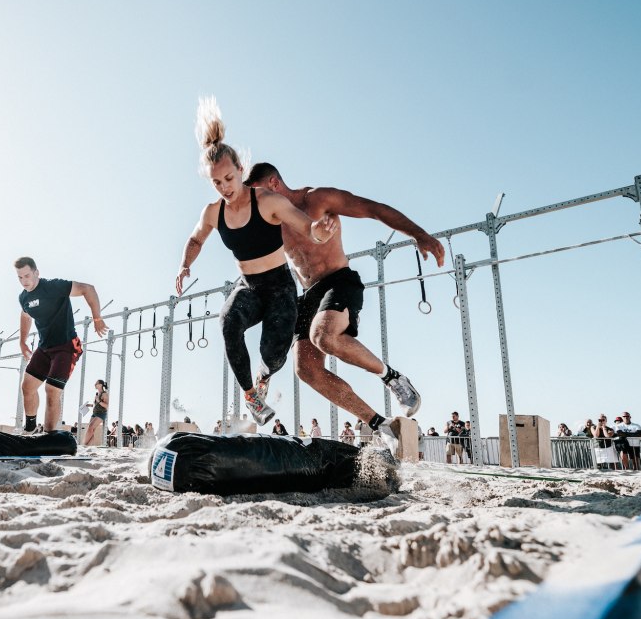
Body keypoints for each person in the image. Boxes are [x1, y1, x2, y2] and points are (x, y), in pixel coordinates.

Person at [244, 162, 443, 444]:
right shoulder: (271, 224)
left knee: (324, 337)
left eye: (260, 196)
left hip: (338, 280)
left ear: (274, 184)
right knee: (306, 371)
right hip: (308, 293)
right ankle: (380, 424)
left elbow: (373, 208)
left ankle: (393, 378)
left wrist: (418, 234)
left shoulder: (318, 199)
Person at [175, 98, 336, 426]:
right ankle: (251, 396)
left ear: (240, 171)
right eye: (216, 183)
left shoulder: (267, 202)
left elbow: (306, 226)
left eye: (229, 179)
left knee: (272, 353)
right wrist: (185, 264)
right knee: (228, 322)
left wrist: (319, 229)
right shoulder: (212, 212)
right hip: (248, 286)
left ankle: (263, 378)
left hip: (279, 286)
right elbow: (195, 239)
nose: (224, 188)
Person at [16, 256, 106, 434]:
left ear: (36, 273)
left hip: (66, 346)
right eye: (20, 277)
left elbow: (88, 289)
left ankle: (49, 435)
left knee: (51, 389)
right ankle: (30, 429)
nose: (24, 281)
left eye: (27, 276)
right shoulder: (23, 297)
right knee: (27, 386)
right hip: (44, 348)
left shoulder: (53, 286)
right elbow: (25, 315)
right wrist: (22, 340)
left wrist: (97, 318)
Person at [82, 379, 110, 446]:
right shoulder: (97, 394)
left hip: (101, 413)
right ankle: (89, 446)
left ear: (101, 385)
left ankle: (84, 444)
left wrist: (98, 400)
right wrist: (88, 405)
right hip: (94, 413)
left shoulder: (104, 394)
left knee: (90, 427)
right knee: (91, 430)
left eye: (96, 383)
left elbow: (106, 405)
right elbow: (96, 405)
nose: (95, 384)